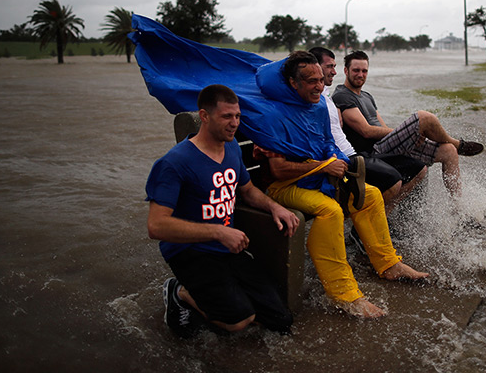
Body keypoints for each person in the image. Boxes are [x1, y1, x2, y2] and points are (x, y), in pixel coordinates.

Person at [254, 51, 429, 319]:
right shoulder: (273, 115)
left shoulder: (318, 109)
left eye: (320, 79)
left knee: (369, 194)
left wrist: (340, 163)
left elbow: (327, 145)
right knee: (330, 211)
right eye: (310, 81)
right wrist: (324, 167)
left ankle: (389, 264)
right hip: (284, 187)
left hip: (319, 180)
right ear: (293, 83)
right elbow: (277, 169)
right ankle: (343, 295)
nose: (319, 85)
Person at [145, 84, 300, 338]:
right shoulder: (174, 163)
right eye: (227, 116)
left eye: (237, 116)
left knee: (280, 320)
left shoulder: (231, 148)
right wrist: (218, 232)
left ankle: (224, 297)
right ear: (204, 116)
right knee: (239, 320)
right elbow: (156, 226)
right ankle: (179, 292)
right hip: (191, 251)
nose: (234, 123)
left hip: (227, 247)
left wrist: (275, 207)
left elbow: (247, 191)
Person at [333, 50, 484, 197]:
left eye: (364, 71)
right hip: (372, 151)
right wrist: (410, 131)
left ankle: (459, 210)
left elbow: (382, 128)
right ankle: (459, 145)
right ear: (346, 71)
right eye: (356, 70)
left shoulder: (367, 96)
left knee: (449, 151)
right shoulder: (342, 95)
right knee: (424, 118)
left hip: (386, 144)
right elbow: (366, 131)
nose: (360, 74)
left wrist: (409, 136)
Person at [308, 46, 427, 214]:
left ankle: (391, 217)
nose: (334, 72)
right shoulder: (327, 97)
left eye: (364, 70)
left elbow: (379, 127)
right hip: (348, 157)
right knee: (394, 178)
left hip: (357, 154)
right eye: (330, 67)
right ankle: (361, 230)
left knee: (419, 167)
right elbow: (366, 131)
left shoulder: (328, 97)